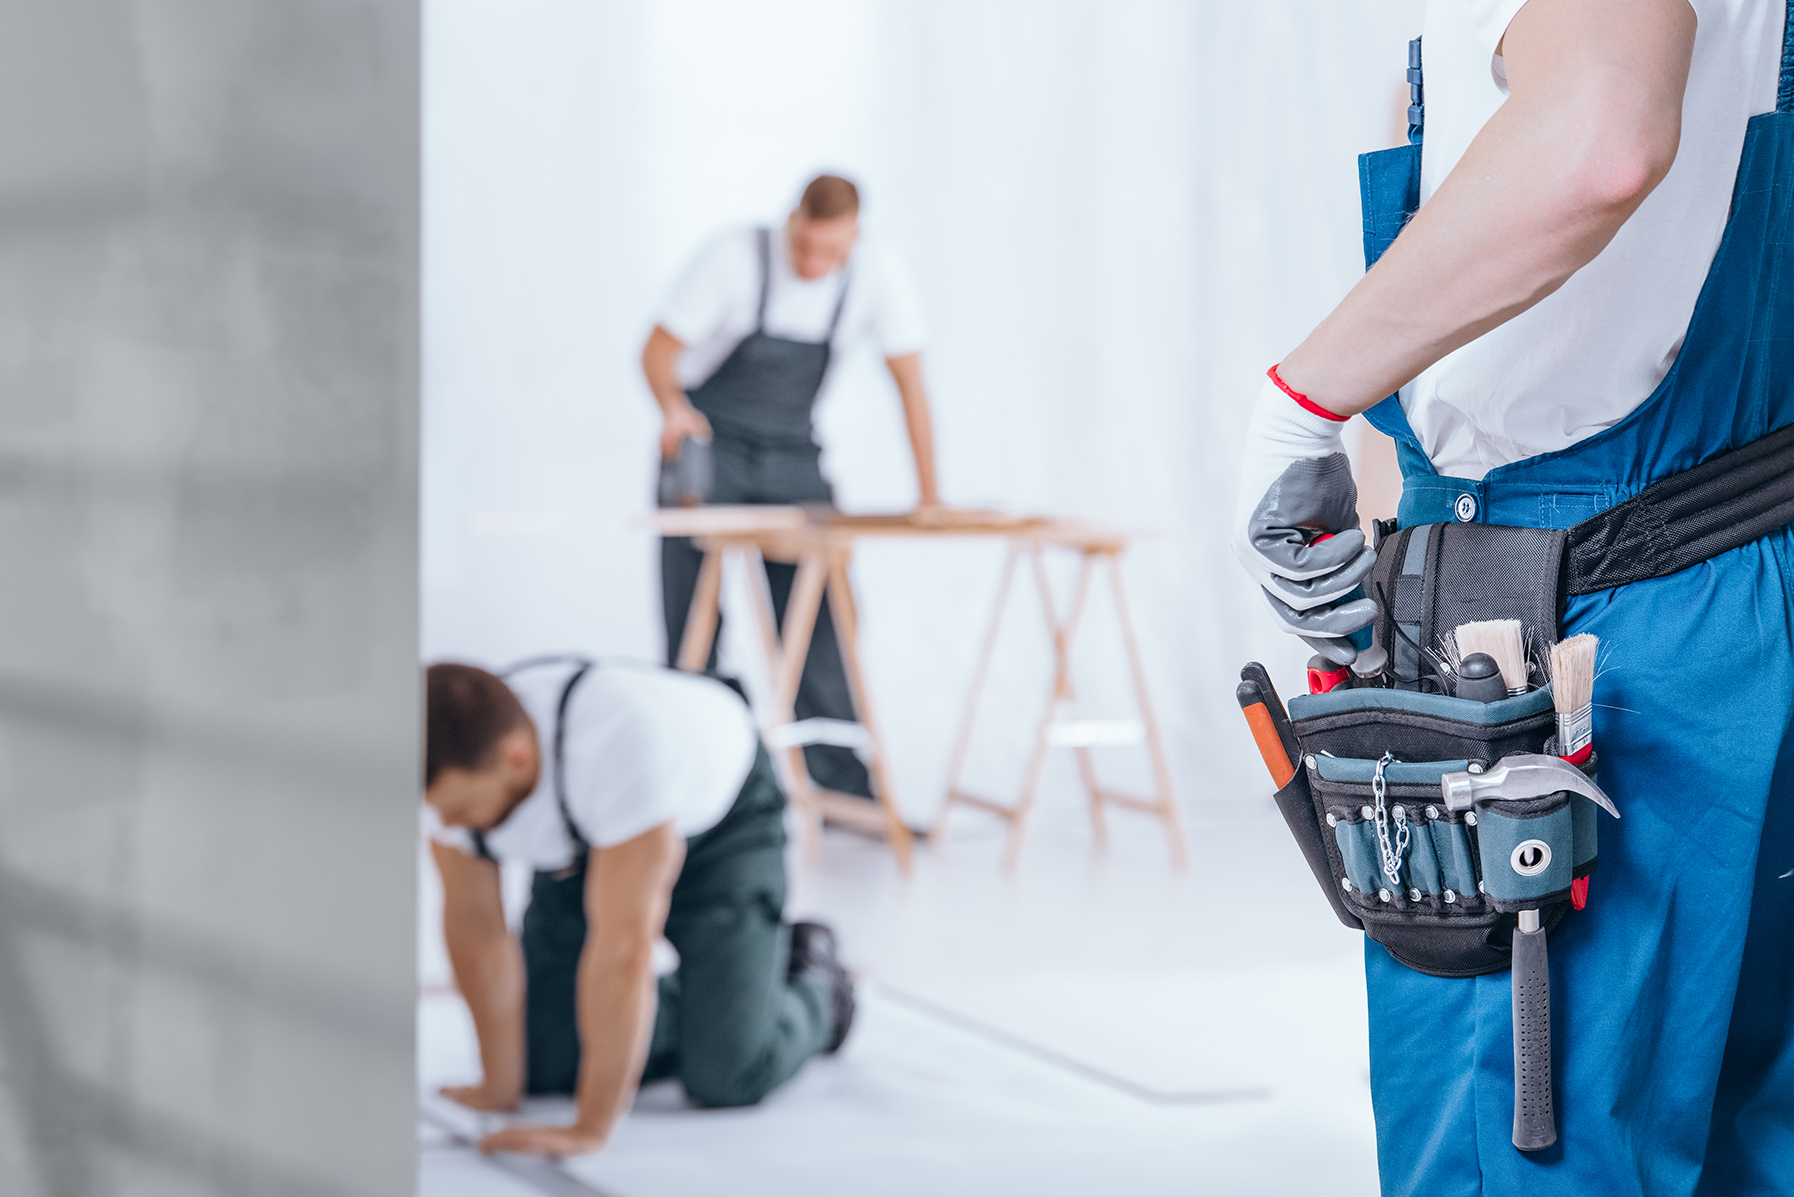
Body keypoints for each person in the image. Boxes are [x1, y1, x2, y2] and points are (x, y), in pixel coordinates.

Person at [1232, 0, 1793, 1192]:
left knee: (1527, 1152)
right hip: (1749, 576)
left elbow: (1598, 139)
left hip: (1580, 628)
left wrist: (1302, 401)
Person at [423, 657, 855, 1157]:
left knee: (728, 1070)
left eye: (460, 811)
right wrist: (497, 1091)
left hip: (722, 831)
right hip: (590, 845)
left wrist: (590, 1128)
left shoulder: (620, 746)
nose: (447, 823)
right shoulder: (448, 772)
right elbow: (476, 930)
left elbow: (624, 950)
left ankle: (817, 983)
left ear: (516, 758)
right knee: (543, 1058)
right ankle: (708, 1003)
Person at [643, 173, 937, 802]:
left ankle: (845, 792)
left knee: (825, 615)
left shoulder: (876, 276)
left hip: (792, 455)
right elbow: (657, 351)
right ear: (791, 220)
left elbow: (910, 383)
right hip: (709, 444)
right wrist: (672, 407)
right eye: (803, 245)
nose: (811, 262)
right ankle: (697, 791)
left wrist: (930, 494)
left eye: (829, 252)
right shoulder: (734, 258)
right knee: (691, 620)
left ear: (855, 238)